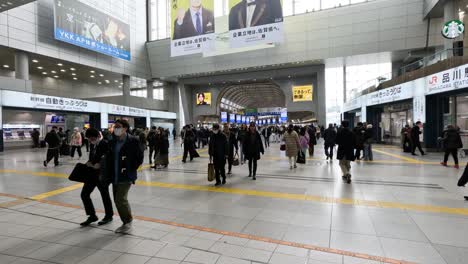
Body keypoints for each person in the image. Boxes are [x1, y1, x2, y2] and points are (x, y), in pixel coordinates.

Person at [105, 119, 144, 233]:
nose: (116, 128)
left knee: (120, 199)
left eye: (118, 126)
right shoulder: (112, 140)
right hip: (114, 175)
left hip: (126, 175)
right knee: (118, 200)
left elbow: (139, 158)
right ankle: (126, 220)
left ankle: (127, 221)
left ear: (125, 128)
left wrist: (131, 168)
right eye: (115, 126)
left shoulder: (133, 140)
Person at [80, 128, 114, 227]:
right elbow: (93, 157)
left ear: (98, 136)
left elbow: (109, 159)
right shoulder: (93, 145)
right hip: (92, 174)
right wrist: (89, 163)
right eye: (89, 139)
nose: (90, 140)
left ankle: (109, 215)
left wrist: (100, 165)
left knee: (105, 195)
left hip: (101, 175)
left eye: (91, 138)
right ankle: (92, 215)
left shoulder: (105, 144)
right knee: (84, 194)